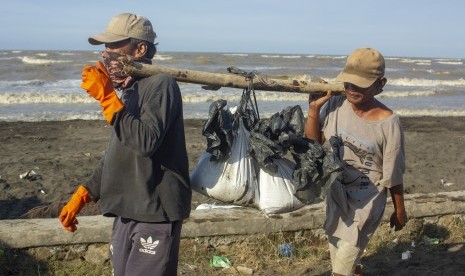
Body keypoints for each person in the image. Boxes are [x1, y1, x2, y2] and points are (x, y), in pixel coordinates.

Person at [58, 13, 191, 276]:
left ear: (140, 49)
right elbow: (117, 152)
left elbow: (146, 141)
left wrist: (107, 98)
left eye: (114, 45)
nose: (107, 53)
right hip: (127, 208)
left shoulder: (161, 85)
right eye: (105, 47)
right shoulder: (129, 91)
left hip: (155, 210)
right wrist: (83, 195)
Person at [305, 47, 407, 276]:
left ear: (380, 84)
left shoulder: (388, 123)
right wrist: (313, 110)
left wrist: (400, 210)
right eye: (348, 82)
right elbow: (314, 142)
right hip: (337, 196)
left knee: (341, 269)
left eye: (360, 84)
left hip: (366, 203)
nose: (351, 89)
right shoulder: (336, 104)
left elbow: (394, 173)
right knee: (341, 261)